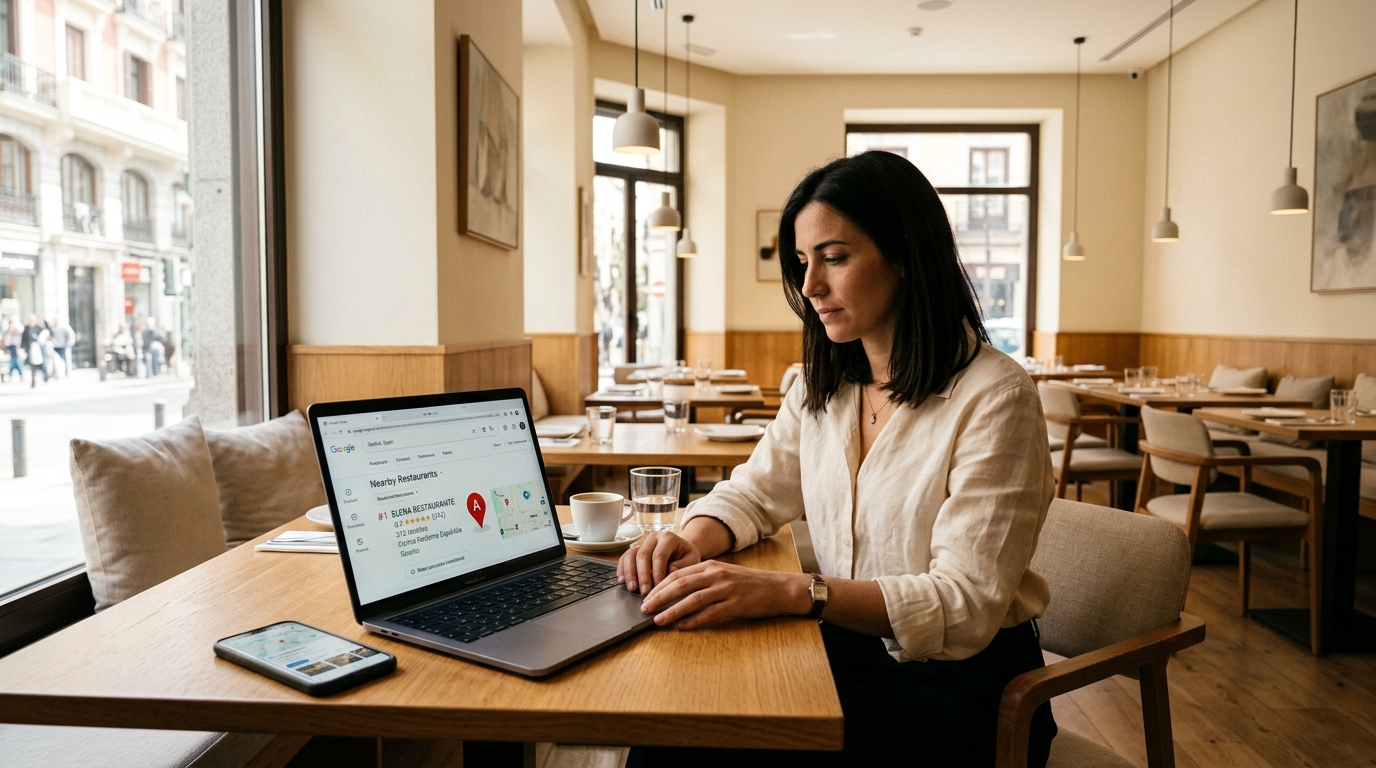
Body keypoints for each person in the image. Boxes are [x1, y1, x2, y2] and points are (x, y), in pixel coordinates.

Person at [619, 152, 1057, 768]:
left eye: (835, 257)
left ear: (905, 255)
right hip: (848, 651)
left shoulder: (997, 397)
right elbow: (754, 492)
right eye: (802, 263)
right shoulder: (824, 384)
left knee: (714, 745)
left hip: (965, 692)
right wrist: (689, 539)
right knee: (675, 726)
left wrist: (794, 592)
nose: (810, 287)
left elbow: (963, 607)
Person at [21, 314, 47, 387]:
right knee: (32, 365)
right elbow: (24, 338)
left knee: (42, 364)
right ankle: (33, 381)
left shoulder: (38, 328)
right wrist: (23, 347)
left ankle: (45, 377)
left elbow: (44, 336)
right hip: (30, 349)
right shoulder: (26, 328)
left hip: (38, 348)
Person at [3, 318, 21, 382]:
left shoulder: (16, 331)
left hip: (15, 347)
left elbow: (18, 340)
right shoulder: (7, 331)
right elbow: (6, 340)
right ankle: (20, 374)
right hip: (10, 347)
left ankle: (11, 374)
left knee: (14, 361)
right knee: (14, 361)